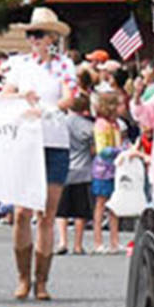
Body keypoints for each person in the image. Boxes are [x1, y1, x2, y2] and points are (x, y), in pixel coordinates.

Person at [0, 6, 78, 300]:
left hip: (54, 140)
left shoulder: (64, 65)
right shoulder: (20, 66)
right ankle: (22, 277)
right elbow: (4, 94)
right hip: (26, 142)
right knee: (21, 213)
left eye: (38, 34)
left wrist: (53, 108)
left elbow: (70, 95)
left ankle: (42, 280)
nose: (33, 39)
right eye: (31, 34)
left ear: (51, 38)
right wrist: (22, 97)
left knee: (47, 213)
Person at [59, 90, 96, 255]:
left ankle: (62, 241)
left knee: (61, 210)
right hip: (83, 170)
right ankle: (78, 245)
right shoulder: (89, 126)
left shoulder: (61, 122)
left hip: (64, 168)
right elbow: (94, 148)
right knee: (80, 211)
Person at [91, 89, 124, 254]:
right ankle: (98, 241)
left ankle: (114, 240)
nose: (123, 107)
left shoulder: (115, 124)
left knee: (114, 205)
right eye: (120, 104)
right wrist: (120, 151)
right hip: (103, 169)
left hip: (115, 168)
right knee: (101, 204)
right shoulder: (102, 124)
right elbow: (102, 150)